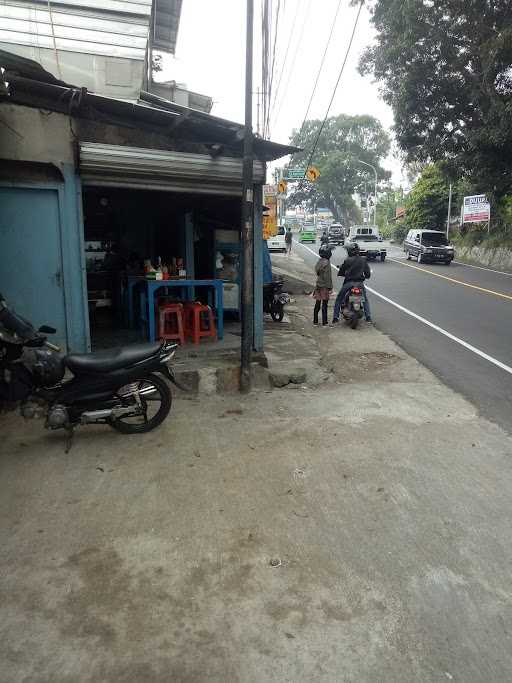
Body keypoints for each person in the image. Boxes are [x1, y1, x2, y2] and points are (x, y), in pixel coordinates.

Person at [331, 243, 372, 323]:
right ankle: (368, 317)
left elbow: (342, 270)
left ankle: (335, 318)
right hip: (359, 284)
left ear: (349, 251)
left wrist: (342, 273)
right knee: (365, 300)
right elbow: (368, 274)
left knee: (339, 299)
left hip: (348, 283)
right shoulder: (363, 260)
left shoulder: (347, 260)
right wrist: (365, 276)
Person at [313, 245, 333, 326]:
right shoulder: (327, 263)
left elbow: (317, 272)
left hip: (318, 285)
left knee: (317, 303)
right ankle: (324, 322)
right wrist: (330, 287)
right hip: (325, 286)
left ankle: (315, 321)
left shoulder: (319, 261)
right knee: (324, 304)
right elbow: (327, 277)